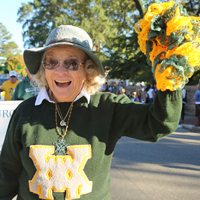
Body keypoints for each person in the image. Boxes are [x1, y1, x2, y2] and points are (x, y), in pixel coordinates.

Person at [0, 25, 182, 200]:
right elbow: (6, 174)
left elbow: (160, 123)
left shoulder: (108, 108)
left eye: (71, 63)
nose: (60, 71)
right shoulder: (24, 112)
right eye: (51, 62)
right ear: (44, 68)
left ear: (88, 71)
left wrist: (170, 73)